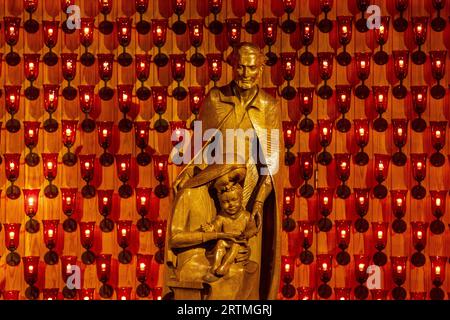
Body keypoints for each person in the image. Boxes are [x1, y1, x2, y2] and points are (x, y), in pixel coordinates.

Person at [173, 42, 282, 299]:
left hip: (252, 190)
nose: (246, 74)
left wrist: (256, 204)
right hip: (214, 188)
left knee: (246, 265)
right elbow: (199, 144)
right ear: (233, 67)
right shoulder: (216, 98)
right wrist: (187, 176)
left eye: (252, 68)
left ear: (261, 70)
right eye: (241, 67)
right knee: (214, 258)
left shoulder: (268, 106)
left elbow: (272, 161)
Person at [201, 183, 257, 282]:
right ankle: (216, 265)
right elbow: (215, 225)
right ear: (220, 203)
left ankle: (225, 265)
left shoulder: (246, 216)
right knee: (220, 243)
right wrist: (210, 228)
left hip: (239, 244)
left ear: (241, 198)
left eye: (234, 200)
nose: (230, 205)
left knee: (235, 246)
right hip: (226, 242)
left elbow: (253, 229)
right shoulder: (222, 217)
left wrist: (246, 234)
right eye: (225, 202)